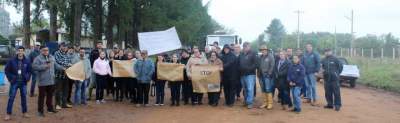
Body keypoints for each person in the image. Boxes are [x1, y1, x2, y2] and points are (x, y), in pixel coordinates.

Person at [4, 46, 32, 121]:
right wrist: (11, 78)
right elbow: (6, 70)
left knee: (24, 98)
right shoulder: (11, 60)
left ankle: (24, 112)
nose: (20, 52)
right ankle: (8, 113)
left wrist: (27, 78)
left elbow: (29, 71)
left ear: (24, 52)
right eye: (19, 50)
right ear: (17, 51)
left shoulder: (27, 61)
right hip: (14, 82)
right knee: (11, 98)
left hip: (23, 82)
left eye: (22, 50)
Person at [32, 46, 59, 117]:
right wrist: (45, 66)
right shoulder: (38, 58)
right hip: (42, 81)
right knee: (41, 97)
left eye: (47, 50)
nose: (46, 51)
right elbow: (34, 67)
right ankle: (40, 111)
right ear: (41, 51)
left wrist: (64, 68)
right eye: (44, 50)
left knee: (50, 96)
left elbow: (56, 65)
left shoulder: (52, 57)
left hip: (51, 80)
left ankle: (50, 108)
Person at [239, 42, 258, 109]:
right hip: (242, 75)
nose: (245, 48)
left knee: (250, 89)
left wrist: (248, 69)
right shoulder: (241, 54)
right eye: (244, 46)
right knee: (245, 89)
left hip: (250, 75)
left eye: (246, 46)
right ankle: (246, 101)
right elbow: (239, 63)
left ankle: (250, 103)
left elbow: (255, 64)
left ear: (249, 47)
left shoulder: (253, 53)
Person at [54, 43, 73, 110]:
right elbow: (58, 61)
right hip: (59, 75)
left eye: (65, 46)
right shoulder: (57, 53)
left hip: (66, 75)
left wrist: (69, 65)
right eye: (63, 46)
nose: (65, 47)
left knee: (66, 90)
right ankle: (57, 104)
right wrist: (68, 64)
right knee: (58, 91)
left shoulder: (68, 54)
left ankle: (64, 104)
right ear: (60, 47)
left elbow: (70, 62)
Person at [258, 45, 275, 110]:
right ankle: (265, 103)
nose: (263, 51)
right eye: (262, 50)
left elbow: (272, 65)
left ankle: (270, 103)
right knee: (263, 89)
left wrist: (269, 73)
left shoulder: (270, 56)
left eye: (264, 50)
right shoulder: (260, 57)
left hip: (267, 75)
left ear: (266, 50)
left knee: (268, 89)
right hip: (261, 75)